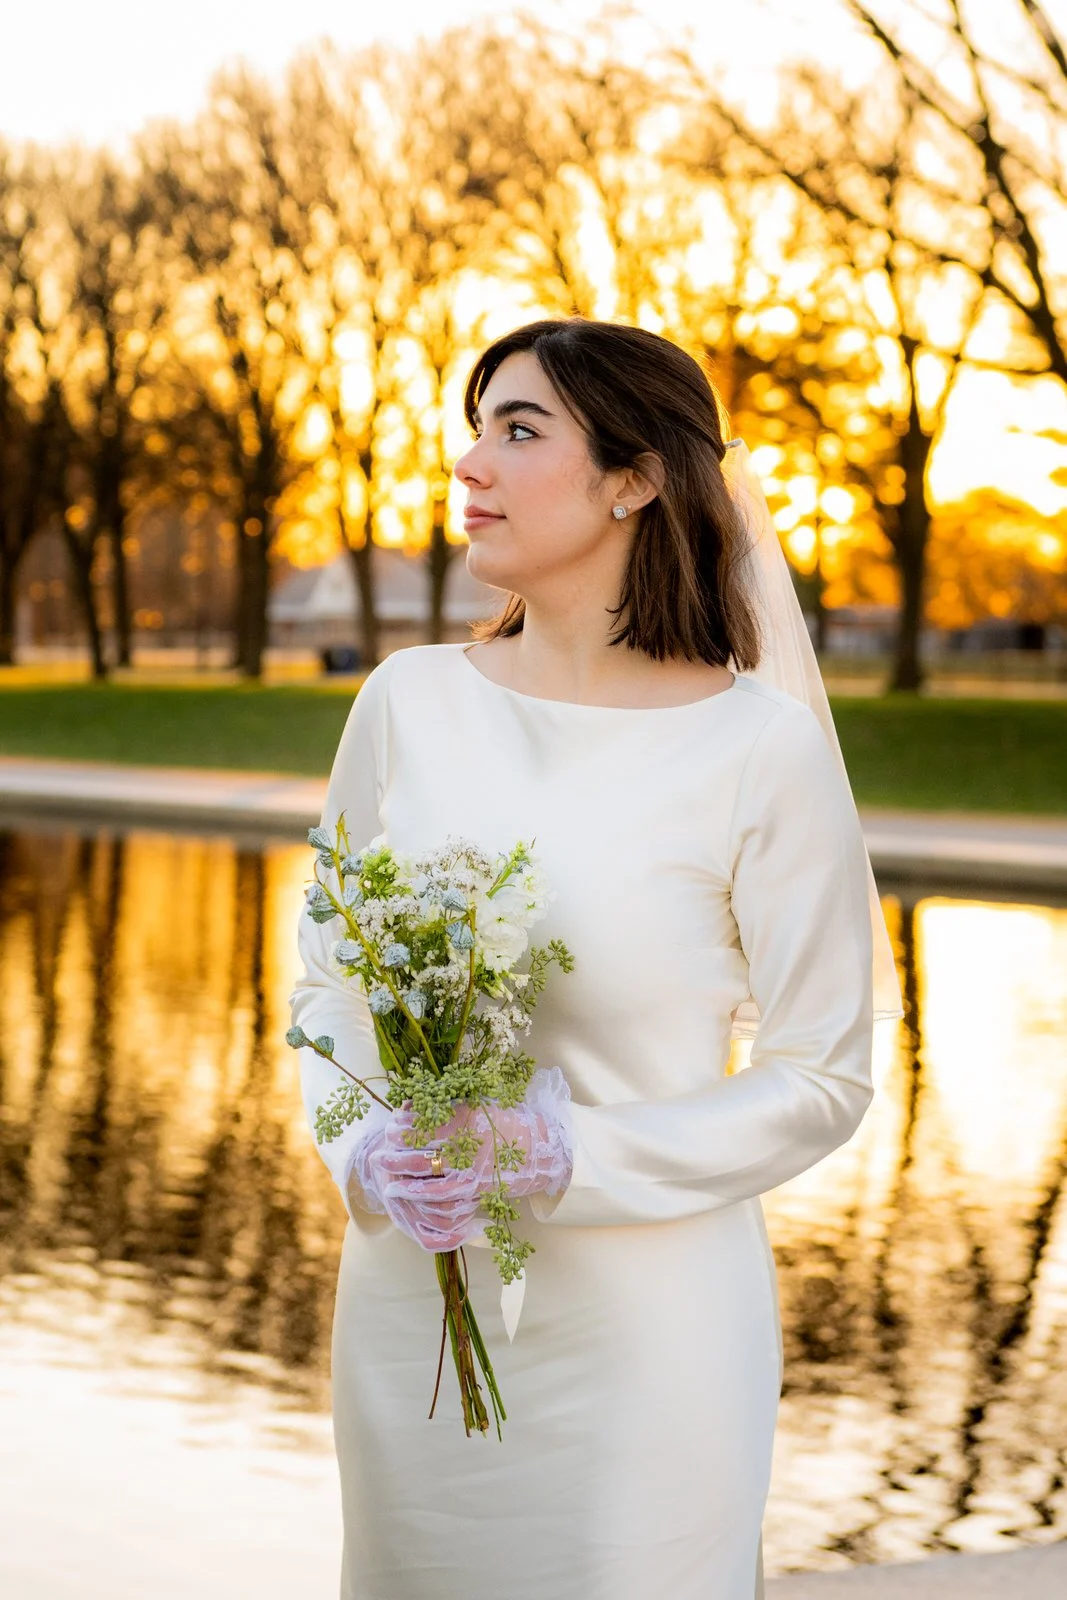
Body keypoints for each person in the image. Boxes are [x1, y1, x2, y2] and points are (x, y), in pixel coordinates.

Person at [288, 316, 904, 1600]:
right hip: (415, 1310)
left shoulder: (756, 751)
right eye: (475, 428)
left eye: (520, 432)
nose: (472, 464)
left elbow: (822, 1076)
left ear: (632, 479)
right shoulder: (404, 703)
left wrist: (568, 1152)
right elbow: (327, 984)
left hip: (649, 1342)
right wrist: (364, 1147)